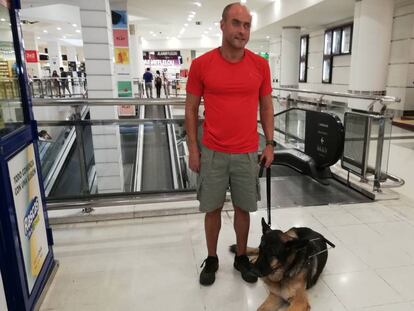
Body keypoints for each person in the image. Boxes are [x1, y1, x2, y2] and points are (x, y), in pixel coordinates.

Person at [185, 2, 275, 286]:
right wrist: (193, 149)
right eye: (236, 23)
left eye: (247, 25)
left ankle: (240, 258)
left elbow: (267, 106)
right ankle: (212, 258)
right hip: (212, 151)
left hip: (247, 151)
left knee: (243, 209)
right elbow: (190, 109)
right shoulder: (202, 65)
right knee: (211, 208)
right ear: (222, 25)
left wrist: (270, 143)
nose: (242, 31)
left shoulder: (260, 65)